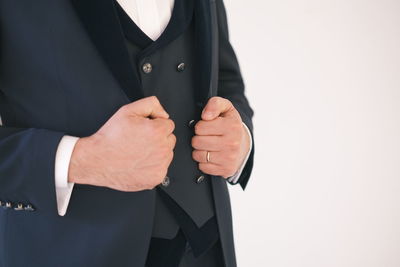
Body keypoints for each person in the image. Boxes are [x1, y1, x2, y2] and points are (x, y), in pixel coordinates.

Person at [0, 0, 255, 266]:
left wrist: (240, 138)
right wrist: (82, 159)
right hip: (69, 250)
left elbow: (224, 78)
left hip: (207, 246)